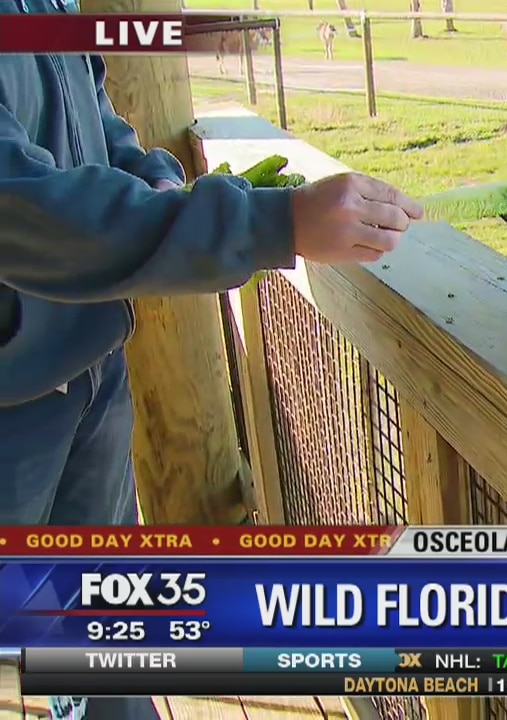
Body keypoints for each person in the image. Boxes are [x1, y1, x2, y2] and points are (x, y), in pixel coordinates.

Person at [0, 1, 423, 717]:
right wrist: (273, 222)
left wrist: (154, 177)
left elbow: (91, 116)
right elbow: (21, 210)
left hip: (91, 368)